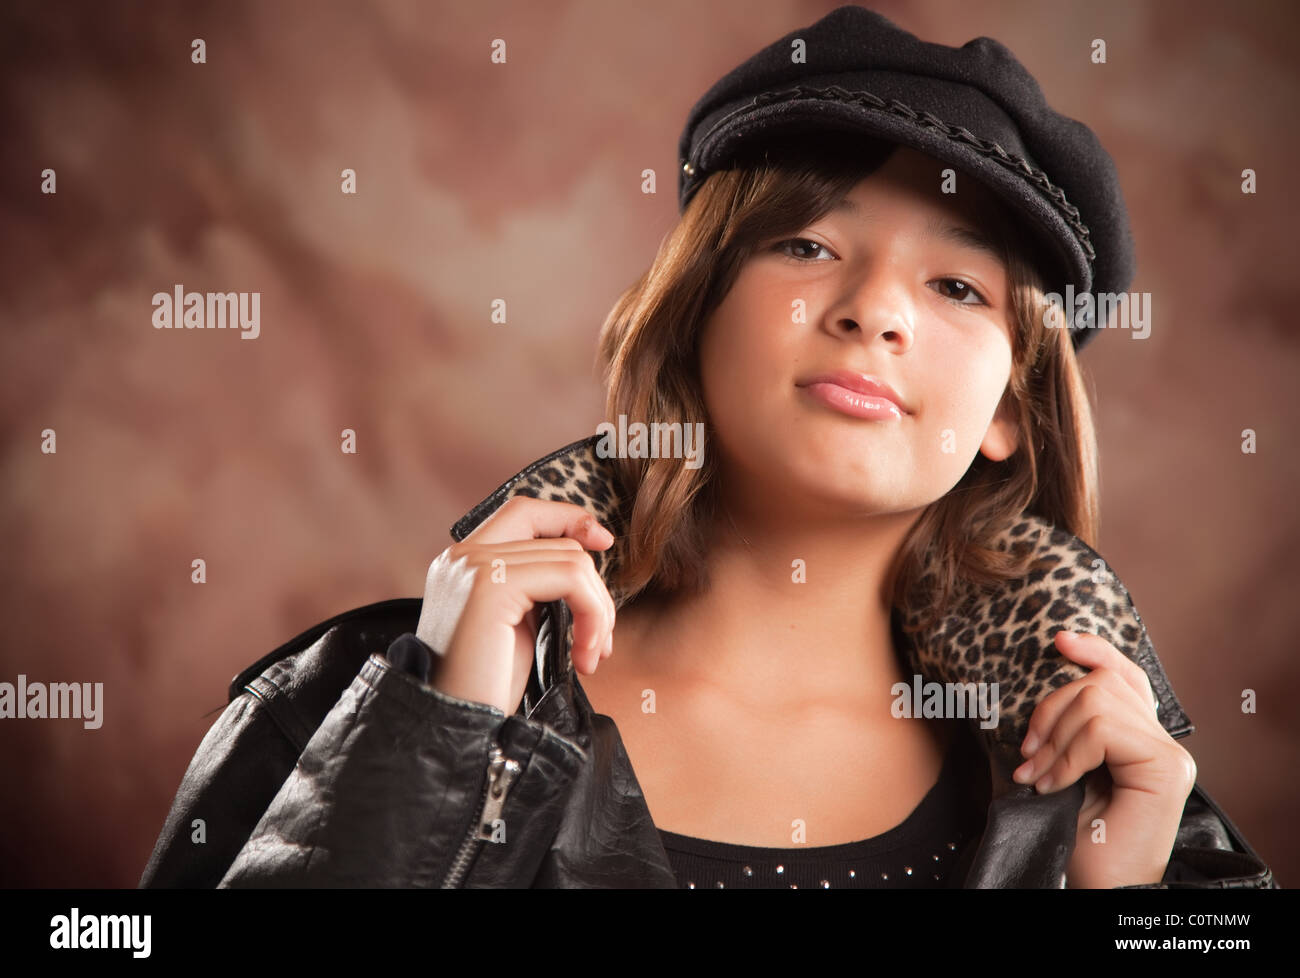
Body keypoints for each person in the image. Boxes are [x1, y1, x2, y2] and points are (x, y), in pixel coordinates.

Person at [139, 5, 1277, 889]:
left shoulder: (1101, 790)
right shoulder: (368, 692)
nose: (876, 308)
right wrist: (437, 738)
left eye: (957, 285)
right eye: (803, 244)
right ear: (694, 314)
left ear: (1008, 417)